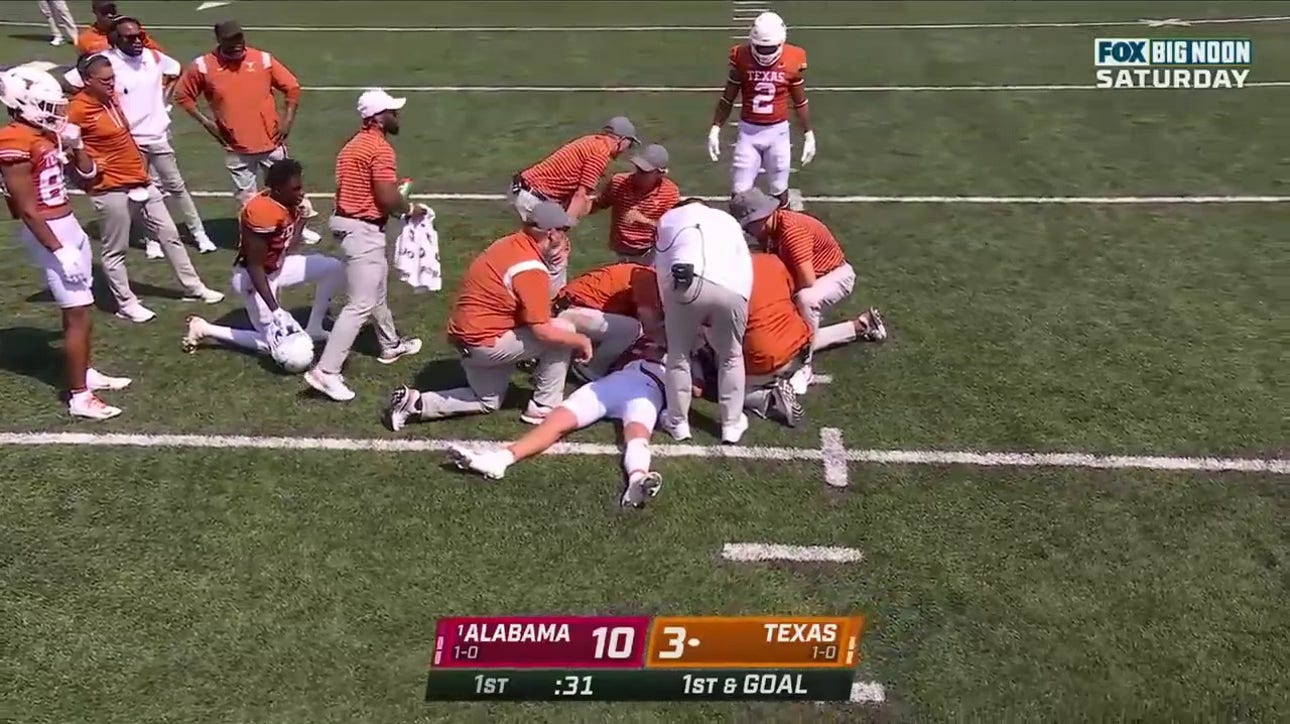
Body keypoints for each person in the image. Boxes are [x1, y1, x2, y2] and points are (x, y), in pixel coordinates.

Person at [383, 201, 593, 428]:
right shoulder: (530, 268)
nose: (566, 236)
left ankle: (415, 403)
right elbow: (542, 329)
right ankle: (544, 407)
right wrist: (581, 340)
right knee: (563, 331)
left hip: (466, 339)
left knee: (487, 401)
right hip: (485, 343)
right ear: (551, 234)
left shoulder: (509, 244)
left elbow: (533, 300)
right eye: (564, 230)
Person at [0, 64, 131, 419]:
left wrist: (77, 145)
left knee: (81, 310)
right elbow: (27, 210)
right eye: (46, 104)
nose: (55, 111)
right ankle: (79, 397)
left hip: (67, 223)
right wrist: (59, 250)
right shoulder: (13, 140)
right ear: (21, 103)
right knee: (77, 313)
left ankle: (84, 372)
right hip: (50, 232)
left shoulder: (46, 133)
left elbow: (89, 178)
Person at [68, 54, 222, 324]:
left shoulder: (111, 99)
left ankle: (194, 286)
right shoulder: (77, 110)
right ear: (86, 81)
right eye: (104, 80)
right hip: (110, 188)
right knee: (116, 249)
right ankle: (126, 302)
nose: (111, 83)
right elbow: (65, 147)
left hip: (139, 180)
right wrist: (91, 167)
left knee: (169, 233)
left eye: (112, 78)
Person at [446, 339, 667, 509]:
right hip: (614, 383)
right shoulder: (642, 334)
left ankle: (637, 482)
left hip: (649, 390)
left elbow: (692, 388)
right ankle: (499, 460)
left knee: (637, 437)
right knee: (558, 420)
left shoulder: (689, 353)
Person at [303, 88, 423, 402]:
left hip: (350, 225)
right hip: (363, 230)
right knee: (360, 304)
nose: (397, 115)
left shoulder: (352, 146)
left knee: (376, 290)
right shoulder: (380, 150)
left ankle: (390, 343)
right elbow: (385, 197)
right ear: (377, 118)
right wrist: (409, 208)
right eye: (392, 111)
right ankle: (326, 371)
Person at [67, 17, 215, 255]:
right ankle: (151, 240)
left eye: (140, 36)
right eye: (130, 37)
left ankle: (199, 234)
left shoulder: (153, 57)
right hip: (129, 141)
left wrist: (163, 99)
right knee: (139, 192)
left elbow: (176, 70)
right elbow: (71, 81)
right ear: (116, 39)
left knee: (177, 187)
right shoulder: (106, 62)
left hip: (158, 135)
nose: (138, 41)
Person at [182, 158, 342, 360]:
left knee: (333, 267)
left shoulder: (287, 203)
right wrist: (275, 310)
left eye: (300, 186)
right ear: (277, 189)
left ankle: (315, 327)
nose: (301, 192)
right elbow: (254, 266)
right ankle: (204, 329)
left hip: (276, 267)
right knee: (271, 345)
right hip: (253, 279)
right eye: (295, 188)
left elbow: (288, 247)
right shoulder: (261, 212)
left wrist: (302, 220)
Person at [172, 20, 317, 241]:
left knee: (286, 189)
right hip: (236, 146)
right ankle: (256, 234)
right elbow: (183, 95)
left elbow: (292, 87)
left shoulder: (263, 59)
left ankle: (295, 228)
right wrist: (207, 123)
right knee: (247, 197)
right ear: (219, 40)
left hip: (271, 142)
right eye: (230, 39)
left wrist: (287, 120)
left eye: (239, 38)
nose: (237, 44)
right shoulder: (203, 66)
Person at [732, 187, 877, 392]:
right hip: (813, 276)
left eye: (748, 225)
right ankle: (860, 326)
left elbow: (807, 280)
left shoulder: (791, 231)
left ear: (761, 217)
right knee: (786, 331)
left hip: (834, 275)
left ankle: (805, 366)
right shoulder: (770, 230)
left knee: (805, 300)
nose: (746, 231)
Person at [652, 198, 753, 444]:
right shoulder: (727, 221)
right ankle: (731, 424)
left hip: (687, 282)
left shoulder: (669, 219)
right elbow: (745, 262)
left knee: (679, 355)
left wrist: (671, 309)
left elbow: (662, 267)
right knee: (731, 355)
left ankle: (678, 423)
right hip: (733, 287)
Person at [509, 116, 638, 290]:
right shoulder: (599, 154)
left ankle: (523, 288)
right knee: (557, 250)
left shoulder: (591, 142)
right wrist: (563, 228)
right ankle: (551, 300)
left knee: (534, 248)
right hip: (534, 198)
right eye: (629, 145)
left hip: (527, 191)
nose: (626, 150)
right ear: (622, 140)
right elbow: (580, 195)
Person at [706, 11, 815, 207]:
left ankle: (781, 234)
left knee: (779, 189)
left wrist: (808, 133)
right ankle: (738, 236)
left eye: (770, 48)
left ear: (782, 42)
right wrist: (716, 127)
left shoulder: (793, 58)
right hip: (748, 134)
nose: (765, 53)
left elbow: (800, 100)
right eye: (760, 48)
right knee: (739, 193)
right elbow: (728, 97)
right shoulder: (741, 56)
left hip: (777, 133)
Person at [554, 261, 659, 379]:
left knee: (627, 327)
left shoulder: (645, 272)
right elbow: (650, 323)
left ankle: (584, 354)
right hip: (570, 313)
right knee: (632, 329)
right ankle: (590, 370)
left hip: (576, 308)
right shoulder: (649, 281)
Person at [589, 143, 680, 264]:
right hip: (620, 253)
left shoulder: (669, 193)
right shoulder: (619, 182)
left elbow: (673, 229)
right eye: (638, 169)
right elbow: (600, 203)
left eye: (644, 172)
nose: (638, 174)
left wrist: (644, 221)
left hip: (649, 253)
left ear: (660, 174)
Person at [76, 0, 162, 56]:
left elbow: (158, 53)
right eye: (104, 12)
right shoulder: (86, 39)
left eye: (112, 11)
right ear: (95, 12)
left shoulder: (129, 30)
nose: (110, 15)